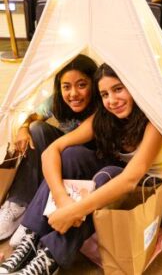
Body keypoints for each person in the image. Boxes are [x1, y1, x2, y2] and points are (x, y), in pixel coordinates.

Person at [0, 63, 162, 275]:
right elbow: (51, 151)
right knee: (72, 155)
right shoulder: (105, 116)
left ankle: (49, 259)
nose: (112, 100)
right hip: (120, 175)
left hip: (154, 188)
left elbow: (130, 178)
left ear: (134, 87)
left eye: (118, 89)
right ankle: (31, 239)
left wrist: (75, 210)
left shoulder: (154, 121)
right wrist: (62, 199)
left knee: (108, 173)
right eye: (105, 94)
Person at [0, 54, 98, 242]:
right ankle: (19, 204)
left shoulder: (101, 107)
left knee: (70, 152)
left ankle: (36, 215)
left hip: (89, 162)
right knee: (37, 130)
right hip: (64, 152)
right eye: (66, 86)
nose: (73, 94)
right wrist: (23, 128)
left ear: (93, 84)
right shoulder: (58, 101)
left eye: (81, 85)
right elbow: (33, 117)